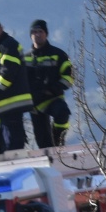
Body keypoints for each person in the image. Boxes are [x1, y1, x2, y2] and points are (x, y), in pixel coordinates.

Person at [0, 19, 34, 152]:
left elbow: (8, 72)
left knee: (13, 144)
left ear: (0, 28)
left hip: (11, 103)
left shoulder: (9, 45)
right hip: (2, 105)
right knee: (6, 144)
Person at [25, 20, 74, 149]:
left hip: (53, 98)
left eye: (40, 31)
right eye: (34, 32)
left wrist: (53, 89)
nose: (37, 34)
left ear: (46, 34)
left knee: (62, 113)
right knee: (44, 144)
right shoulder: (25, 58)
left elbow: (68, 78)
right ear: (30, 35)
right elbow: (21, 82)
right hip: (35, 104)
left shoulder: (59, 55)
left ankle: (59, 139)